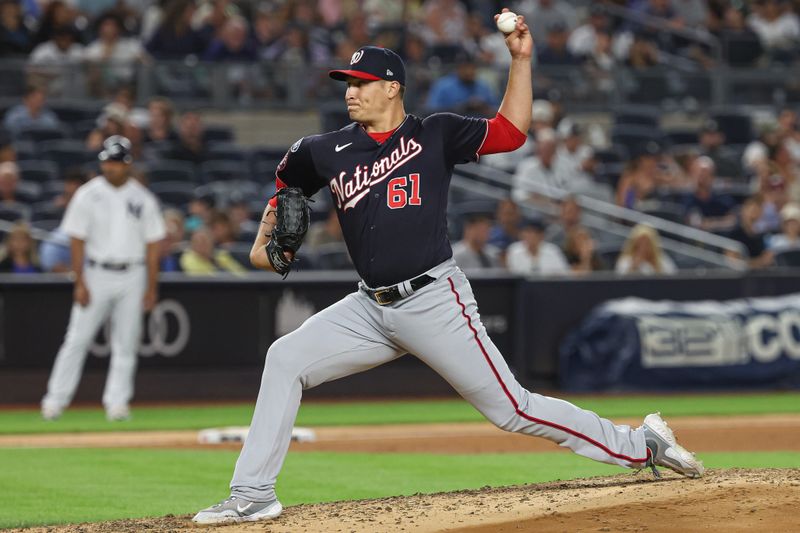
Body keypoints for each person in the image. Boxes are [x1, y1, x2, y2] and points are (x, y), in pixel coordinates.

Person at [192, 18, 703, 525]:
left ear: (393, 88)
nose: (351, 93)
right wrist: (262, 247)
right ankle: (253, 493)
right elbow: (287, 189)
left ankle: (642, 445)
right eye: (347, 84)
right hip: (370, 306)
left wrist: (521, 60)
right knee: (285, 358)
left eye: (361, 84)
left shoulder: (434, 133)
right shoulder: (324, 150)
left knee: (513, 410)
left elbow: (511, 132)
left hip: (434, 300)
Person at [40, 135, 166, 422]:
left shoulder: (142, 198)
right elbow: (76, 240)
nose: (110, 167)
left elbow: (153, 247)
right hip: (96, 272)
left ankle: (117, 403)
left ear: (127, 164)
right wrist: (80, 281)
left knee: (126, 342)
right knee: (77, 338)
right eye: (106, 162)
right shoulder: (88, 193)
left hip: (133, 272)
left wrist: (151, 287)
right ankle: (54, 401)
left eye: (115, 162)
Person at [506, 217, 570, 275]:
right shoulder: (514, 250)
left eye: (536, 232)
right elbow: (512, 276)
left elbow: (565, 274)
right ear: (521, 234)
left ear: (542, 235)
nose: (531, 236)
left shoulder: (553, 251)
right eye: (528, 231)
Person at [179, 226, 245, 274]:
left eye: (205, 241)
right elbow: (202, 279)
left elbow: (240, 274)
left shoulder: (221, 255)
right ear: (192, 244)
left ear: (212, 242)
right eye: (197, 241)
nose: (201, 244)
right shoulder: (188, 258)